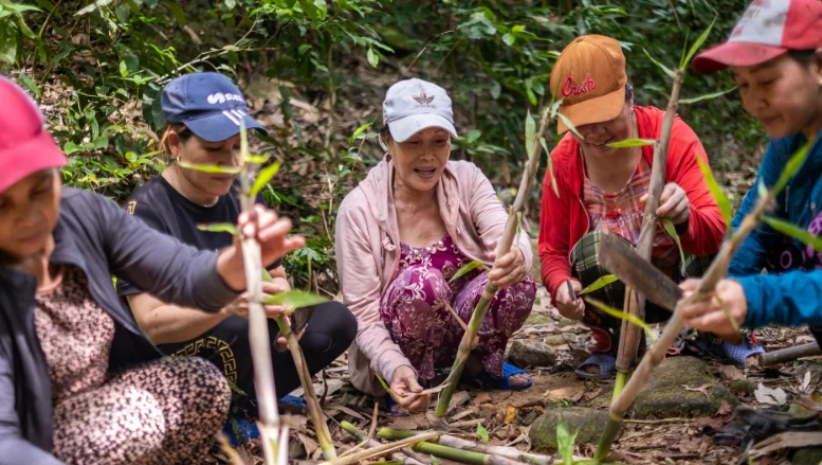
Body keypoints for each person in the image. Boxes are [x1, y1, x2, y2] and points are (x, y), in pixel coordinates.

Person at [0, 75, 303, 464]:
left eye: (41, 189)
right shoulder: (150, 203)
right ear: (176, 145)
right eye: (3, 205)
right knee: (135, 417)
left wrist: (235, 266)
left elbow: (179, 272)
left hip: (98, 395)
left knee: (203, 384)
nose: (30, 218)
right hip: (34, 434)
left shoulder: (82, 214)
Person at [117, 73, 357, 427]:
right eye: (214, 150)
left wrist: (286, 315)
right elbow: (151, 324)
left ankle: (245, 405)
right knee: (237, 324)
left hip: (242, 330)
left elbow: (273, 272)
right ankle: (214, 416)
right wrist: (226, 303)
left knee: (334, 321)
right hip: (171, 359)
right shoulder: (146, 212)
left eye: (238, 146)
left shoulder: (242, 191)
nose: (231, 163)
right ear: (174, 144)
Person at [537, 35, 762, 379]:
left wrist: (684, 218)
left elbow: (716, 230)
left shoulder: (669, 137)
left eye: (604, 117)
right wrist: (560, 286)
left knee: (720, 230)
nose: (595, 133)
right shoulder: (564, 161)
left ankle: (720, 331)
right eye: (581, 124)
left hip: (684, 281)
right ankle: (616, 341)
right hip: (620, 296)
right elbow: (552, 250)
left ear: (629, 96)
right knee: (593, 250)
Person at [336, 78, 536, 413]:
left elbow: (504, 231)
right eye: (413, 142)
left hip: (463, 338)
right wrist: (392, 366)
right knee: (421, 284)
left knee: (516, 282)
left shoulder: (466, 179)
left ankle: (478, 365)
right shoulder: (359, 210)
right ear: (387, 141)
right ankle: (410, 382)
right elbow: (362, 313)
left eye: (439, 141)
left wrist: (517, 254)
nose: (428, 156)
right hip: (396, 358)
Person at [681, 0, 822, 342]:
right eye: (743, 84)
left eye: (767, 81)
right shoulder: (789, 141)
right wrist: (723, 287)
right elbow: (754, 226)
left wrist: (753, 298)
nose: (752, 102)